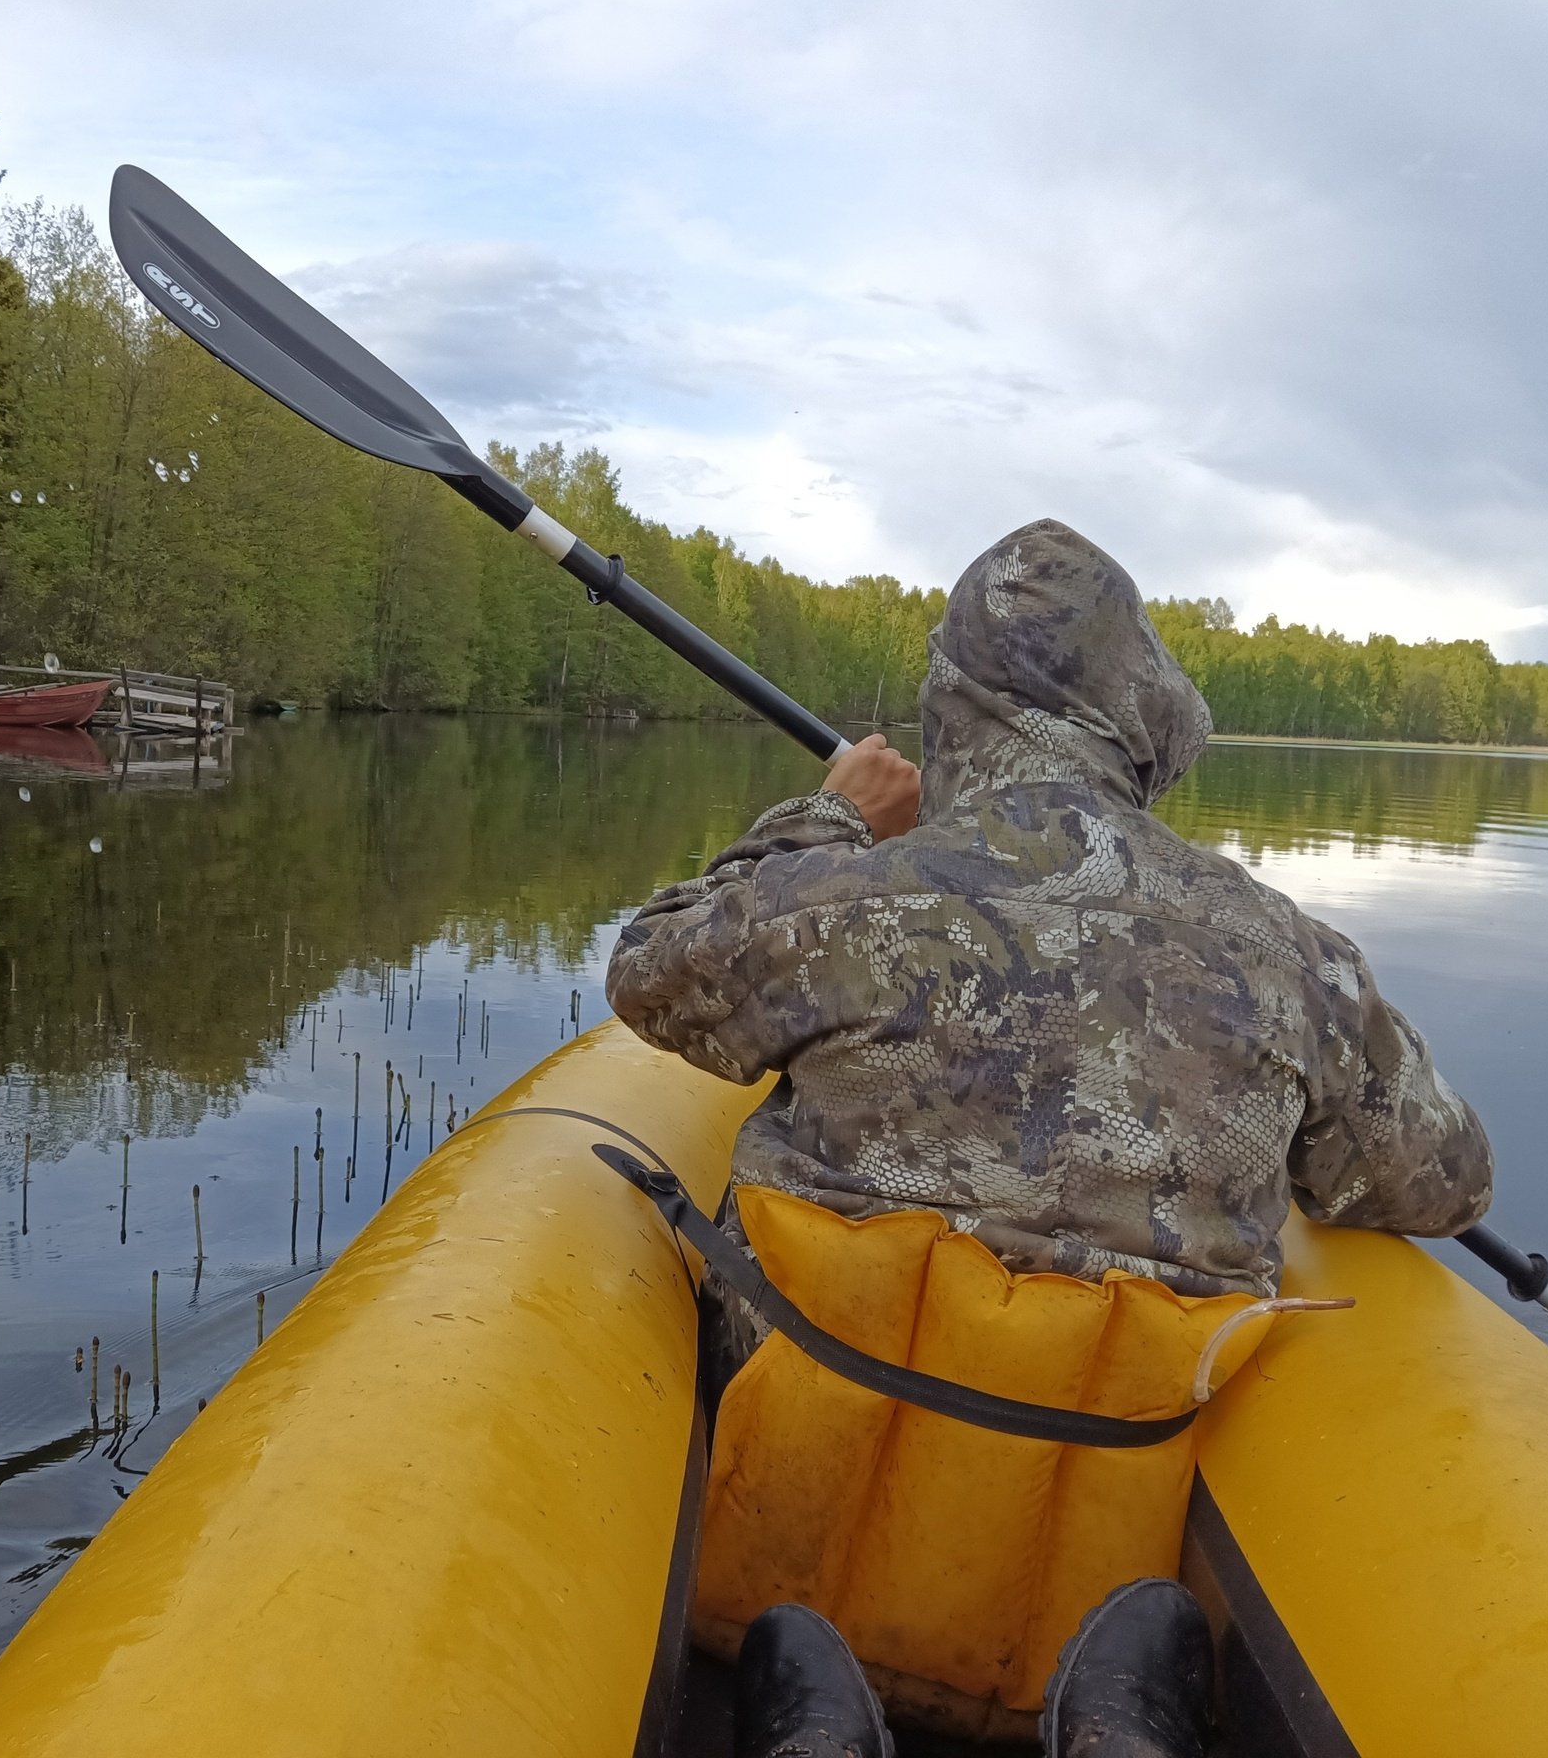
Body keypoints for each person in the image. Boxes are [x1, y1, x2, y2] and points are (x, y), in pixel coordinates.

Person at [607, 520, 1494, 1757]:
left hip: (793, 1551)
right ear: (1141, 726)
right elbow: (1444, 1182)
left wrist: (826, 816)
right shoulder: (1293, 958)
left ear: (951, 713)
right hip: (1098, 1563)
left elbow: (649, 968)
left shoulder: (845, 904)